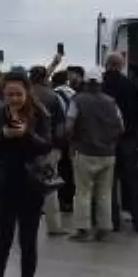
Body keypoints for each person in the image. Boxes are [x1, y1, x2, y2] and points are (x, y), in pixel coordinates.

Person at [0, 70, 54, 277]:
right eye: (9, 94)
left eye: (18, 94)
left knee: (28, 240)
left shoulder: (39, 113)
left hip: (31, 183)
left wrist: (26, 135)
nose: (13, 99)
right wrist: (3, 134)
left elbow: (47, 144)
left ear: (27, 92)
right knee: (3, 237)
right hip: (3, 183)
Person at [66, 67, 123, 241]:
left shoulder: (78, 100)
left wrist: (72, 140)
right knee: (104, 192)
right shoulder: (111, 101)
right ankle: (104, 228)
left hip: (84, 151)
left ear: (86, 82)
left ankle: (83, 230)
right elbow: (121, 127)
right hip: (108, 153)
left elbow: (69, 125)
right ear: (100, 83)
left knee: (83, 191)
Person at [102, 52, 138, 232]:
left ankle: (113, 220)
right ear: (121, 65)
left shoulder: (100, 85)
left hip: (105, 141)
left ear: (106, 65)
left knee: (108, 183)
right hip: (128, 140)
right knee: (132, 181)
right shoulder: (130, 85)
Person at [28, 65, 67, 236]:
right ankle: (54, 226)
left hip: (24, 147)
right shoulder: (54, 97)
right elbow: (60, 128)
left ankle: (22, 222)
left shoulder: (23, 95)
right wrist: (60, 146)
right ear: (45, 78)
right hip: (47, 148)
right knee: (50, 187)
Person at [51, 69, 78, 213]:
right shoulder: (75, 94)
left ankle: (62, 200)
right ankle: (70, 199)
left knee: (60, 169)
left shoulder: (54, 95)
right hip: (73, 138)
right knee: (71, 169)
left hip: (59, 138)